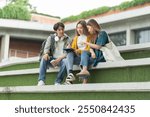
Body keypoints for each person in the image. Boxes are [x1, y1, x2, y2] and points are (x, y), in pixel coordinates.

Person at [64, 20, 95, 84]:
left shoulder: (89, 37)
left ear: (85, 28)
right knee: (69, 53)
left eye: (81, 28)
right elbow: (73, 49)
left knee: (84, 53)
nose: (79, 29)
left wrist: (77, 51)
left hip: (87, 57)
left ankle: (84, 79)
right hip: (78, 57)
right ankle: (70, 74)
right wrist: (70, 48)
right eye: (78, 28)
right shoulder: (76, 38)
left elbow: (88, 49)